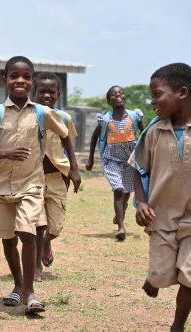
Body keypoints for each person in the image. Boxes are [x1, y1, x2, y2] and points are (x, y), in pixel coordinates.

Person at [0, 56, 81, 314]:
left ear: (31, 81)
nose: (20, 81)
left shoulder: (43, 113)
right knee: (8, 240)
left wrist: (73, 167)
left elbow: (66, 135)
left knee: (28, 234)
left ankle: (30, 293)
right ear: (5, 81)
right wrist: (5, 153)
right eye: (14, 76)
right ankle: (18, 285)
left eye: (26, 76)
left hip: (32, 185)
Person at [129, 63, 191, 332]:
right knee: (162, 274)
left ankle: (177, 325)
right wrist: (141, 202)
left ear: (182, 93)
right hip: (162, 217)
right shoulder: (153, 132)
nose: (153, 101)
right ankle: (154, 279)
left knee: (189, 277)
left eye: (157, 94)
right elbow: (137, 167)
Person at [33, 72, 79, 282]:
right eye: (42, 91)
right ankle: (36, 268)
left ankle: (45, 243)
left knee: (55, 227)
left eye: (51, 92)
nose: (46, 95)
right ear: (35, 92)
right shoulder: (27, 116)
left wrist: (74, 170)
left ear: (58, 94)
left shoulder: (63, 118)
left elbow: (68, 143)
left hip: (56, 177)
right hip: (31, 178)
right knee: (35, 224)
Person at [86, 85, 145, 240]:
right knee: (118, 189)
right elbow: (94, 138)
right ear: (109, 101)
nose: (118, 95)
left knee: (126, 191)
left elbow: (146, 135)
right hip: (111, 159)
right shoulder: (105, 119)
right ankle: (121, 227)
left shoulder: (134, 116)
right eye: (114, 94)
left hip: (130, 159)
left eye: (120, 93)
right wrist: (91, 158)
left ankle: (122, 209)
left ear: (124, 97)